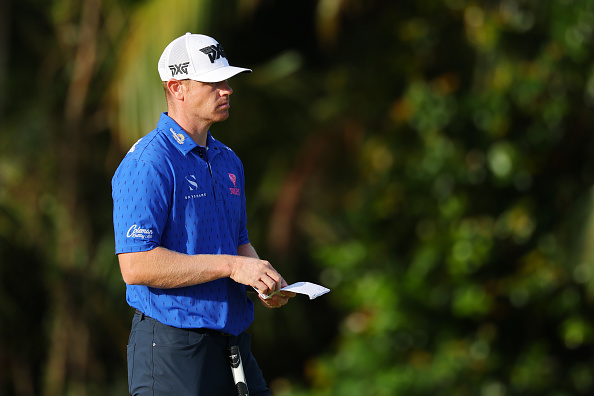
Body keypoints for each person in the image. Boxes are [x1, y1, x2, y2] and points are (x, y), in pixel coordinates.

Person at [112, 32, 295, 396]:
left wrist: (260, 279)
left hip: (233, 343)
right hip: (172, 347)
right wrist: (231, 267)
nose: (226, 90)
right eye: (213, 82)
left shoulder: (228, 159)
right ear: (177, 87)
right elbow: (136, 265)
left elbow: (239, 242)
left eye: (226, 81)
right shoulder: (149, 161)